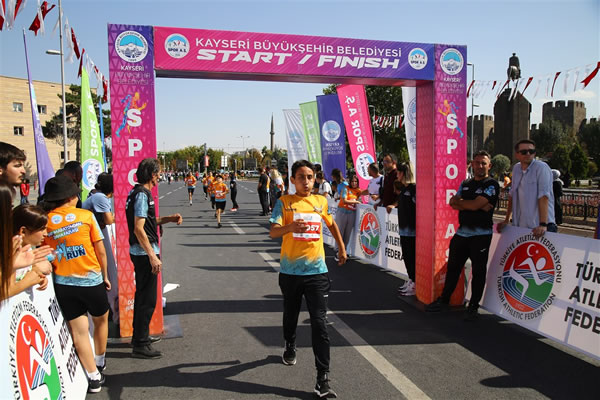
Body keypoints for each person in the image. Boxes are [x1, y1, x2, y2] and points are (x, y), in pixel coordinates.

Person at [269, 159, 347, 398]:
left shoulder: (320, 201)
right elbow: (273, 232)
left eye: (310, 177)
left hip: (317, 273)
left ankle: (323, 378)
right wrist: (290, 228)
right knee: (291, 315)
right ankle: (290, 344)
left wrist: (342, 248)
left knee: (319, 323)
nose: (306, 181)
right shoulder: (284, 202)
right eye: (301, 177)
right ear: (292, 179)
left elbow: (332, 225)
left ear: (315, 180)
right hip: (290, 273)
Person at [40, 175, 110, 393]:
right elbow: (100, 250)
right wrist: (106, 275)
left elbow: (43, 252)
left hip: (64, 285)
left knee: (78, 331)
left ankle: (93, 377)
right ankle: (100, 361)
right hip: (92, 280)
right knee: (101, 321)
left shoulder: (44, 221)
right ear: (72, 197)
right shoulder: (86, 216)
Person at [426, 151, 500, 320]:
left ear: (489, 166)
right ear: (472, 164)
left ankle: (473, 306)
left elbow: (470, 205)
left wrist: (467, 204)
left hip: (481, 235)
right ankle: (444, 300)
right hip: (461, 233)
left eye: (483, 163)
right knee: (453, 268)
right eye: (477, 162)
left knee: (478, 271)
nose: (480, 166)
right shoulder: (466, 183)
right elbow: (453, 202)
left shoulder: (492, 184)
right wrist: (474, 204)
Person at [126, 158, 182, 359]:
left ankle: (140, 337)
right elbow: (138, 228)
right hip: (144, 253)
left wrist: (168, 219)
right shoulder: (142, 194)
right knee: (147, 300)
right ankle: (141, 344)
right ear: (152, 174)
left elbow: (148, 221)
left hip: (142, 251)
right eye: (159, 173)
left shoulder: (136, 192)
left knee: (143, 297)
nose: (160, 176)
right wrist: (152, 256)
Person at [497, 139, 557, 237]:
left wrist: (543, 224)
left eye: (531, 151)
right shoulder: (516, 169)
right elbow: (512, 194)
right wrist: (507, 219)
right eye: (524, 152)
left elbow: (544, 196)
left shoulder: (541, 168)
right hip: (522, 226)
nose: (528, 154)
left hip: (541, 226)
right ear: (517, 154)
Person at [82, 173, 119, 321]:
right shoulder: (101, 198)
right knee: (107, 267)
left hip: (92, 233)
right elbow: (109, 220)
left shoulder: (96, 196)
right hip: (93, 236)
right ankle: (112, 307)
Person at [387, 163, 417, 296]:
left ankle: (415, 282)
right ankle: (411, 279)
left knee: (411, 257)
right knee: (406, 256)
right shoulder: (404, 189)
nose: (397, 175)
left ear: (404, 173)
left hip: (412, 231)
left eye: (398, 172)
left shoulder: (413, 188)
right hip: (403, 229)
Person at [10, 204, 52, 296]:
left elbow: (28, 270)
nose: (46, 234)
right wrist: (29, 280)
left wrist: (36, 271)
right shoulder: (8, 253)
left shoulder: (27, 248)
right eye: (42, 229)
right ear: (23, 231)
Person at [333, 171, 361, 261]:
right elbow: (344, 200)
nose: (354, 183)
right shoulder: (346, 189)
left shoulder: (358, 191)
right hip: (342, 212)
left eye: (356, 181)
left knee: (347, 234)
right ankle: (338, 251)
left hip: (351, 213)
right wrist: (356, 202)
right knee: (340, 232)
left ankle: (344, 251)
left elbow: (366, 193)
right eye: (352, 181)